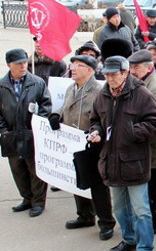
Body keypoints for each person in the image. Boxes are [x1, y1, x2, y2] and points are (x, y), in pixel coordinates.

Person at [88, 56, 156, 251]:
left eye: (114, 74)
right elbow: (95, 119)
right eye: (107, 75)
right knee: (120, 208)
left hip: (135, 162)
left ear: (125, 73)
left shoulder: (141, 94)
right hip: (112, 162)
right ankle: (129, 239)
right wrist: (96, 131)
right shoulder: (103, 95)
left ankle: (145, 249)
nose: (110, 79)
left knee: (141, 209)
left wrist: (131, 131)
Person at [48, 55, 116, 240]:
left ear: (90, 70)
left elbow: (105, 118)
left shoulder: (99, 91)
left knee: (97, 184)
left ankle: (106, 222)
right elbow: (64, 108)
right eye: (72, 65)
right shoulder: (72, 87)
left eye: (78, 66)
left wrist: (98, 134)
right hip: (73, 142)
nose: (73, 68)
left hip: (94, 144)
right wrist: (56, 115)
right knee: (77, 179)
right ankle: (85, 215)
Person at [0, 49, 52, 217]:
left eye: (25, 62)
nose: (23, 66)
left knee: (35, 170)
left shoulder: (37, 83)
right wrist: (4, 130)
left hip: (31, 133)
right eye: (19, 63)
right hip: (11, 134)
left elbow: (46, 106)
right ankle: (26, 198)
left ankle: (38, 202)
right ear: (9, 65)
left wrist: (38, 125)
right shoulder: (2, 86)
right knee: (18, 169)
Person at [128, 50, 156, 235]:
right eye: (130, 67)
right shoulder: (135, 83)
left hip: (153, 148)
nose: (132, 71)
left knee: (155, 188)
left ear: (149, 67)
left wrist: (133, 134)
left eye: (136, 67)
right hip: (138, 145)